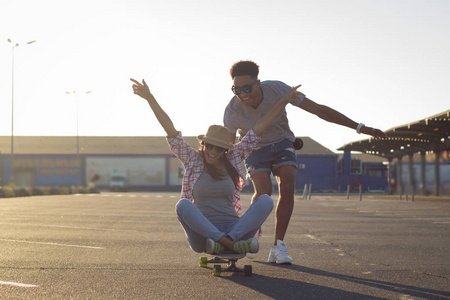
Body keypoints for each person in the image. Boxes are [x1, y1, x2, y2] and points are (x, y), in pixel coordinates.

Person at [223, 60, 387, 264]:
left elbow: (319, 110)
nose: (242, 94)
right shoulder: (232, 111)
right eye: (236, 89)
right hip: (254, 147)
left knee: (288, 182)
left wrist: (360, 127)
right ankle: (250, 234)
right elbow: (229, 150)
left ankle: (278, 246)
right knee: (264, 191)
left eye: (247, 88)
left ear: (258, 83)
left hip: (282, 141)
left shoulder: (278, 89)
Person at [130, 77, 303, 255]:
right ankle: (229, 244)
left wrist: (283, 101)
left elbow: (259, 128)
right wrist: (149, 98)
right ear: (203, 145)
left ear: (225, 150)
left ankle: (228, 241)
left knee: (265, 200)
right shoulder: (192, 159)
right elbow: (170, 129)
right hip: (203, 236)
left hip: (234, 228)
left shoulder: (234, 158)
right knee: (182, 205)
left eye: (218, 148)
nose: (212, 151)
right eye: (209, 146)